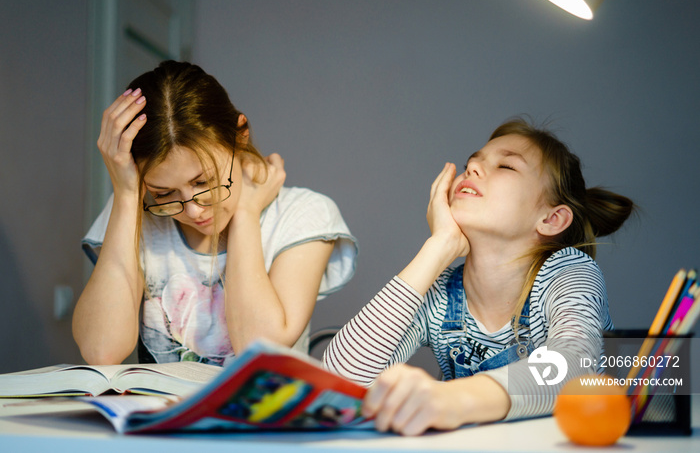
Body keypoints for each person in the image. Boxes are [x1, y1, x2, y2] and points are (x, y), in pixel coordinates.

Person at [323, 117, 635, 435]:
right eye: (471, 163)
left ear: (552, 219)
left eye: (506, 167)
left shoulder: (569, 272)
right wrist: (437, 247)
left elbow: (575, 365)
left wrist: (452, 400)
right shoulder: (441, 294)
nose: (472, 169)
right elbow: (338, 380)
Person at [73, 61, 357, 366]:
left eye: (204, 182)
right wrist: (126, 194)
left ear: (240, 134)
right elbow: (101, 351)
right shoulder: (132, 214)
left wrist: (247, 212)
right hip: (162, 413)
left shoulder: (302, 214)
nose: (194, 210)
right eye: (164, 193)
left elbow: (259, 350)